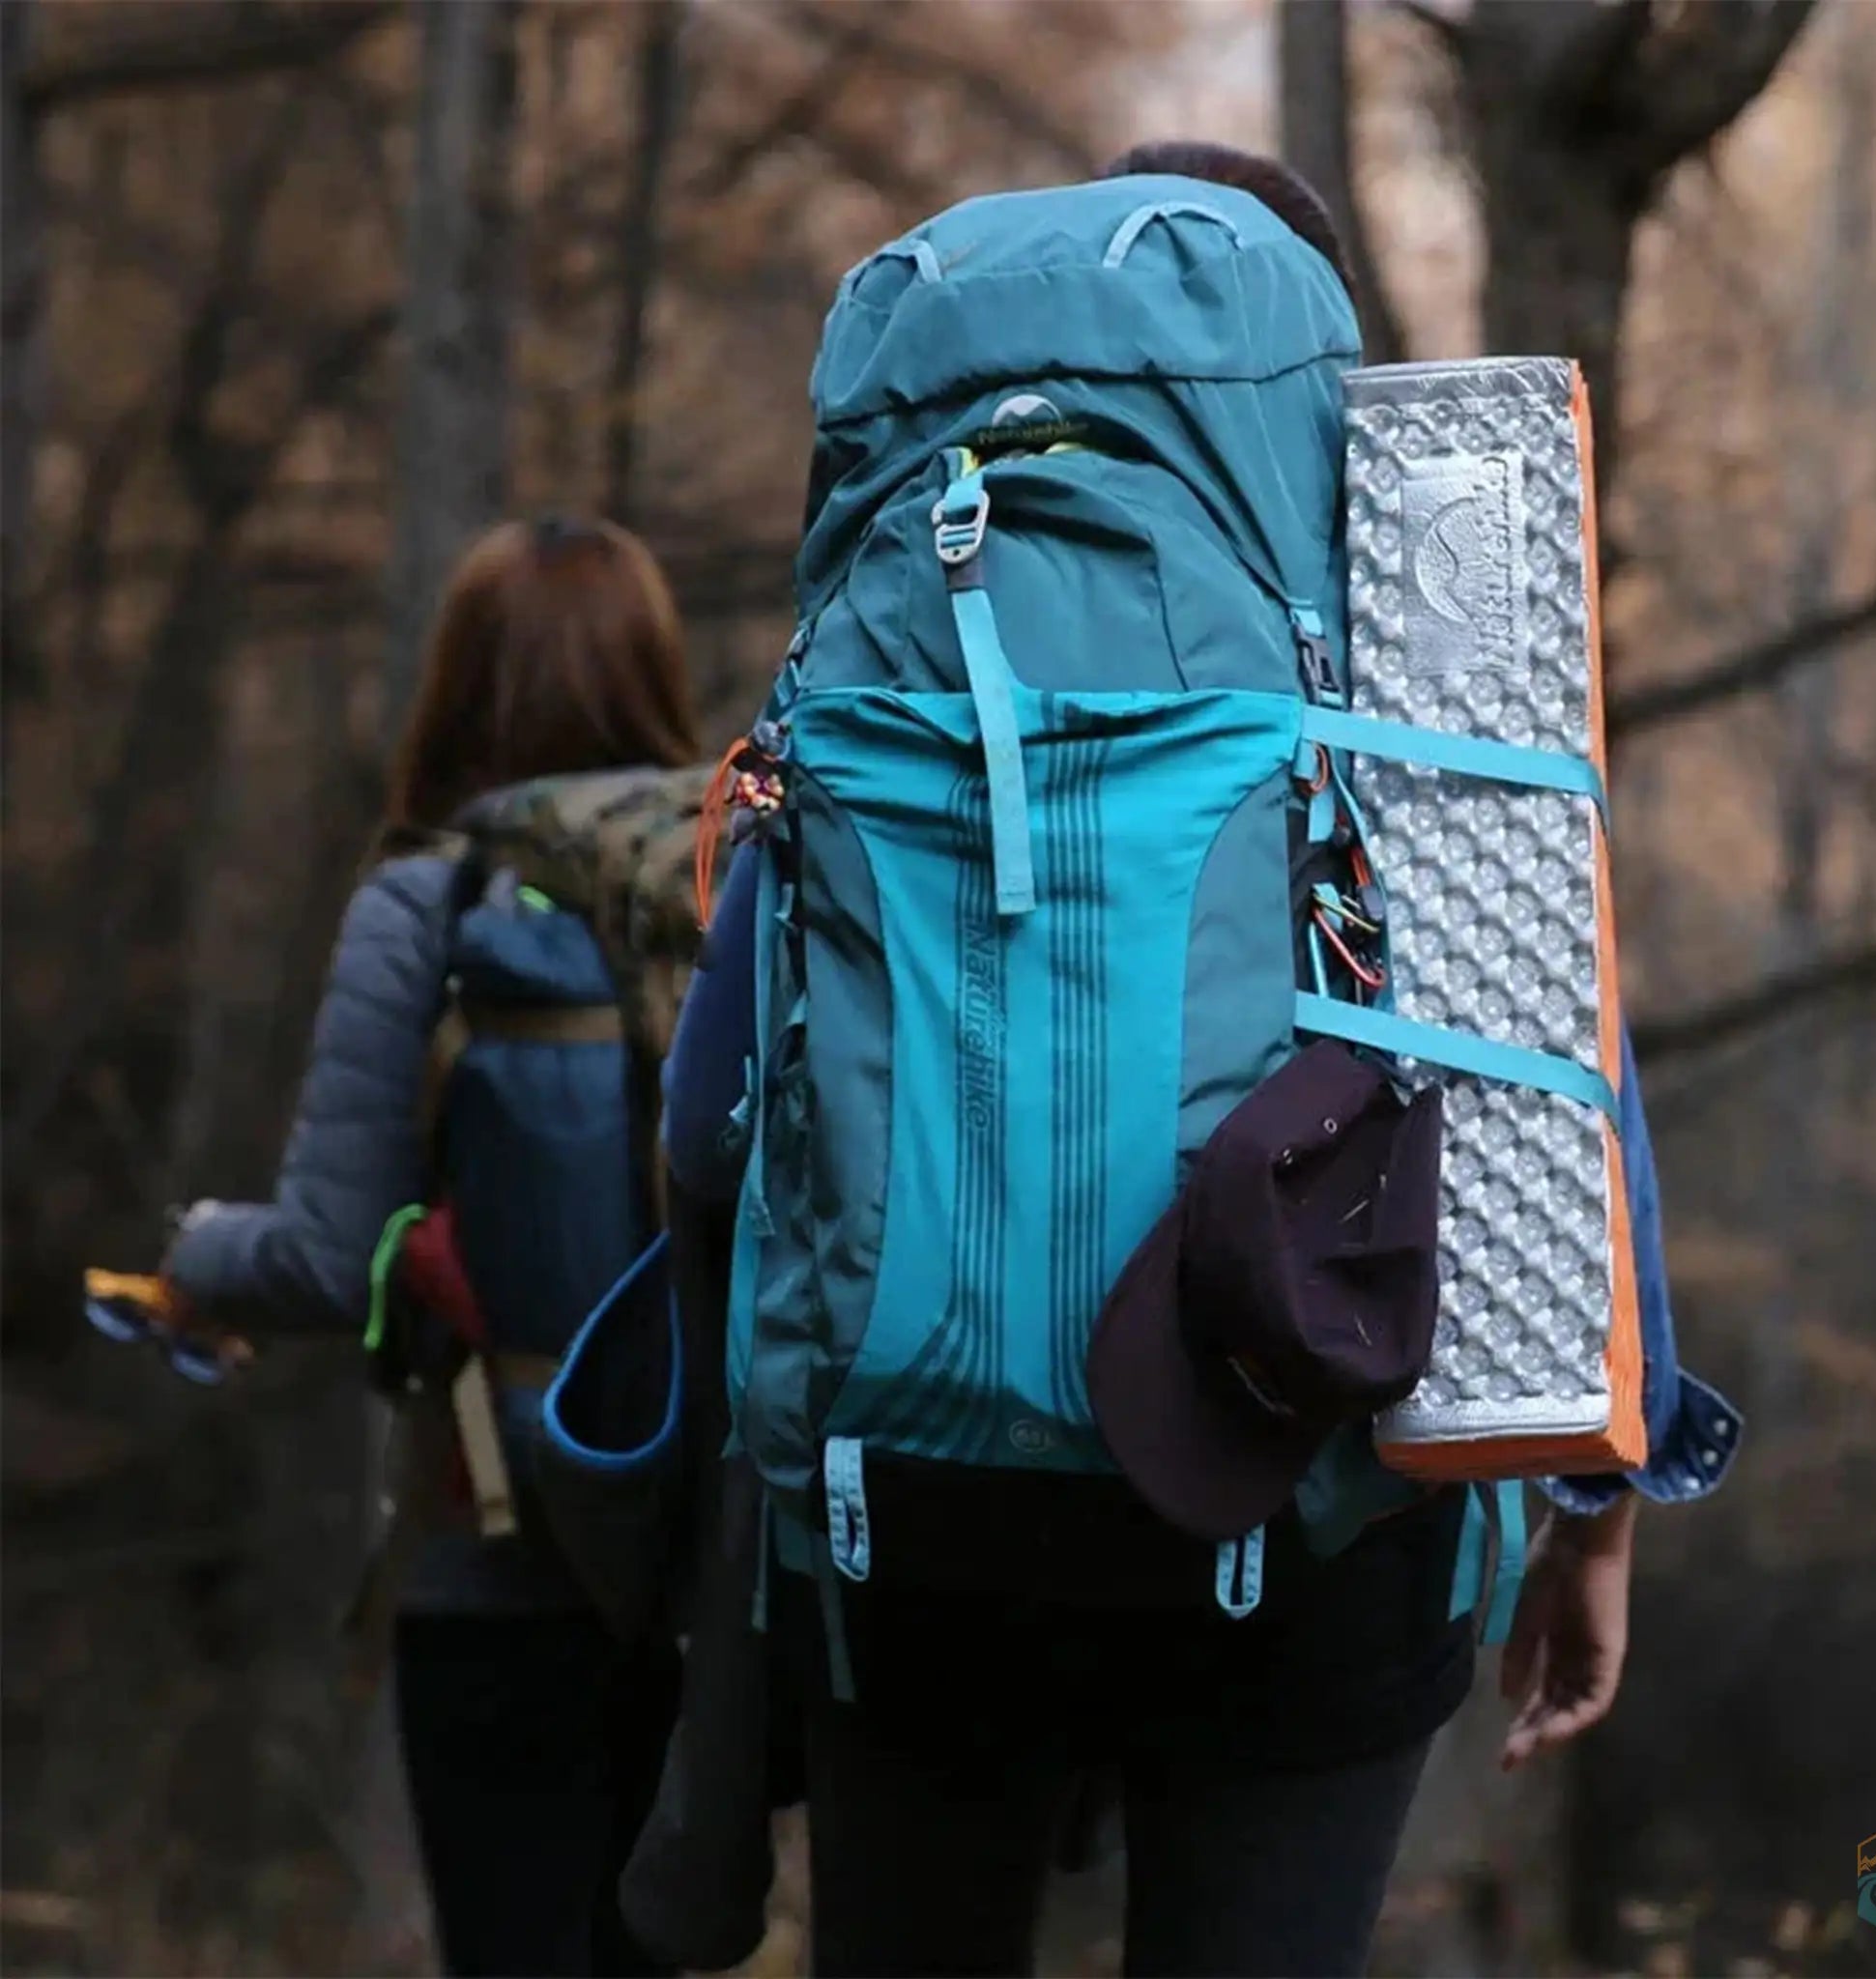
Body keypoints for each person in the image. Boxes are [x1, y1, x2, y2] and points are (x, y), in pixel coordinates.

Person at [663, 142, 1741, 1979]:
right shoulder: (1402, 672)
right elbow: (1556, 1089)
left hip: (919, 1524)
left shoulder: (886, 635)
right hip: (1306, 1514)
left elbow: (707, 1131)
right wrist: (1592, 1507)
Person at [162, 517, 699, 1979]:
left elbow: (332, 1257)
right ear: (652, 668)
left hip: (500, 1545)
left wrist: (200, 1255)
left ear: (458, 684)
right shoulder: (736, 881)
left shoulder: (428, 903)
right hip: (712, 1562)